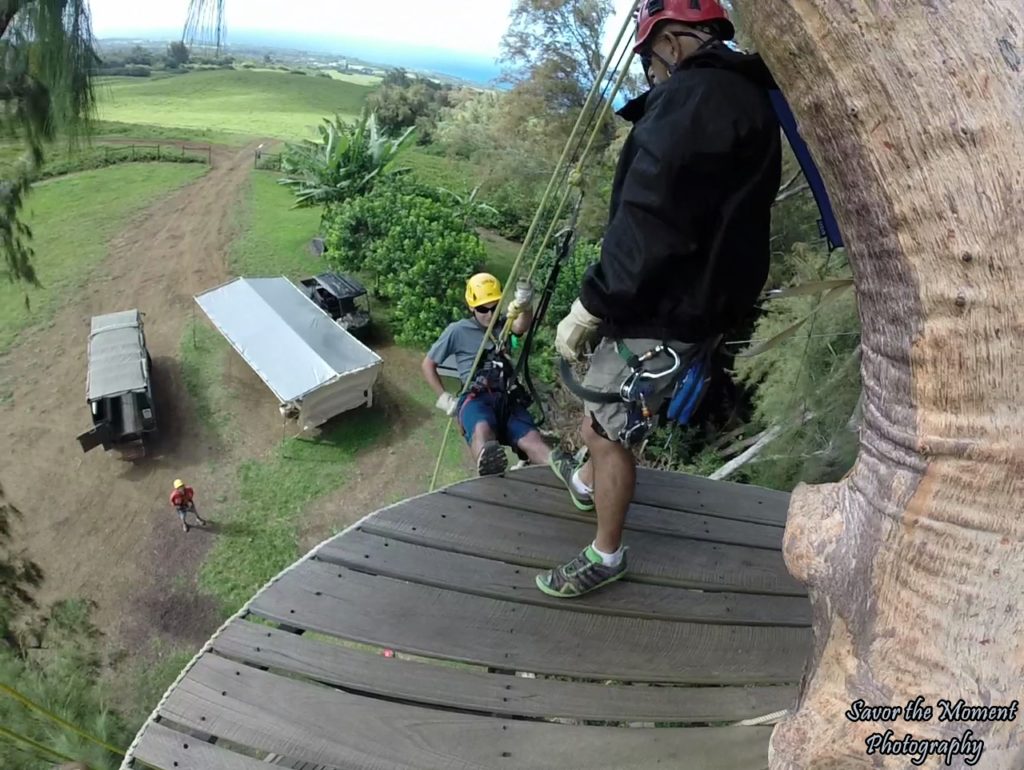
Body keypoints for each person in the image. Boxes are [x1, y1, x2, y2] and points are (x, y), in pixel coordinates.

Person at [538, 0, 782, 597]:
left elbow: (651, 216)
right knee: (613, 415)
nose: (650, 72)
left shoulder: (694, 100)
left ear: (672, 41)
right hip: (696, 301)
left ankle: (606, 553)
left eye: (650, 58)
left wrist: (595, 301)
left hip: (664, 304)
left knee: (608, 429)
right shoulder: (745, 99)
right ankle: (591, 484)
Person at [422, 273, 567, 476]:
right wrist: (444, 397)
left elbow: (521, 326)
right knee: (482, 431)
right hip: (476, 397)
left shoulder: (503, 324)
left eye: (494, 306)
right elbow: (428, 364)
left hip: (507, 397)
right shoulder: (457, 331)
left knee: (532, 440)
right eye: (483, 309)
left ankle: (565, 475)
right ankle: (489, 474)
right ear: (471, 307)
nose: (489, 314)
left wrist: (526, 305)